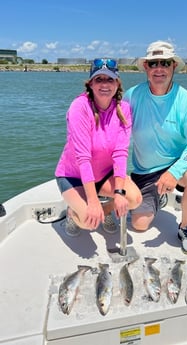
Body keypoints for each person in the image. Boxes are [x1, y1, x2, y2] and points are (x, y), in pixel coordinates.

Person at [123, 41, 187, 255]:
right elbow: (115, 133)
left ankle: (186, 227)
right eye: (153, 63)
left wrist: (174, 172)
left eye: (165, 63)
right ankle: (159, 196)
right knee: (140, 225)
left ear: (173, 67)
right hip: (144, 171)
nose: (158, 68)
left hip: (175, 165)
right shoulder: (132, 96)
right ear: (145, 67)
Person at [55, 58, 142, 236]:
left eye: (110, 79)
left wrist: (118, 193)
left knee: (134, 199)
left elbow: (120, 153)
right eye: (99, 79)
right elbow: (83, 157)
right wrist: (92, 202)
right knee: (89, 222)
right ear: (90, 84)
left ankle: (106, 209)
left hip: (103, 174)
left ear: (117, 83)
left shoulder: (124, 109)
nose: (105, 84)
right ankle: (72, 212)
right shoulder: (79, 107)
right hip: (74, 176)